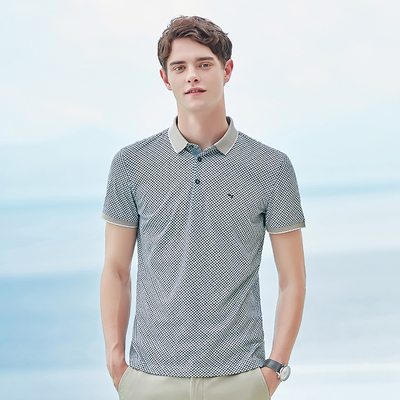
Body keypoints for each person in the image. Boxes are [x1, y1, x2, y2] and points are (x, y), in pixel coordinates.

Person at [100, 15, 306, 400]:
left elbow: (292, 280)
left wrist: (274, 368)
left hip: (240, 378)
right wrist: (116, 361)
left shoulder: (271, 168)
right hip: (149, 379)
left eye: (204, 64)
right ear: (166, 78)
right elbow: (115, 270)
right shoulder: (131, 164)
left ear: (227, 70)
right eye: (179, 67)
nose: (192, 75)